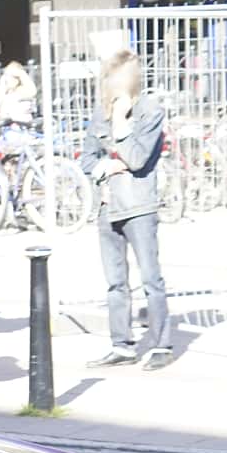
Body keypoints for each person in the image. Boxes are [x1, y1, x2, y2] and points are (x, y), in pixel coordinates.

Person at [81, 50, 172, 372]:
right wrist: (107, 166)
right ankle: (122, 344)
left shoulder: (149, 110)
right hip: (108, 207)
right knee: (115, 283)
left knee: (151, 278)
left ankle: (162, 343)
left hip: (139, 206)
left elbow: (136, 159)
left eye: (115, 78)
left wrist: (120, 123)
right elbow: (87, 159)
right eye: (107, 78)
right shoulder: (99, 112)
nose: (110, 85)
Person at [0, 62, 38, 126]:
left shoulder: (23, 90)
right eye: (7, 76)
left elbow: (33, 92)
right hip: (4, 127)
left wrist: (21, 74)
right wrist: (2, 90)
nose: (9, 79)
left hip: (22, 127)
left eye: (13, 77)